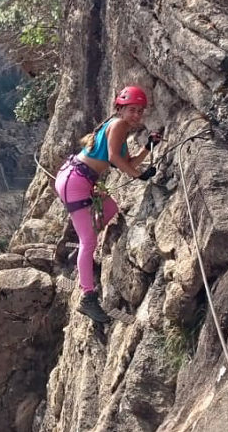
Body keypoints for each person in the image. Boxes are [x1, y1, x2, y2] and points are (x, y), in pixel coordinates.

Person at [55, 86, 161, 323]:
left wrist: (148, 147)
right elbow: (114, 159)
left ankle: (80, 255)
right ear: (121, 109)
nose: (136, 115)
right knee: (89, 241)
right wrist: (137, 175)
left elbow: (125, 161)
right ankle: (88, 298)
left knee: (110, 208)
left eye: (140, 111)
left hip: (76, 178)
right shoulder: (119, 126)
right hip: (76, 182)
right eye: (132, 110)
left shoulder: (116, 127)